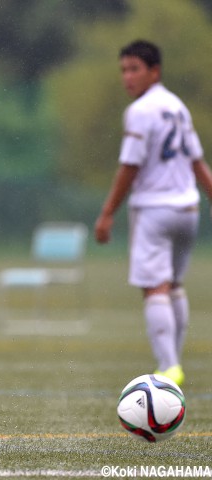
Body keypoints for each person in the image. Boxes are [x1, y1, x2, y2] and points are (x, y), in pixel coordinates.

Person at [95, 40, 212, 387]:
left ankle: (169, 365)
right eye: (123, 70)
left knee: (154, 288)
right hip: (188, 210)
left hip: (155, 210)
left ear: (154, 71)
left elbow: (129, 166)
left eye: (134, 69)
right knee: (173, 286)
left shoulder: (141, 110)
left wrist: (107, 213)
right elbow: (198, 163)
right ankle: (172, 365)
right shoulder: (178, 106)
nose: (127, 77)